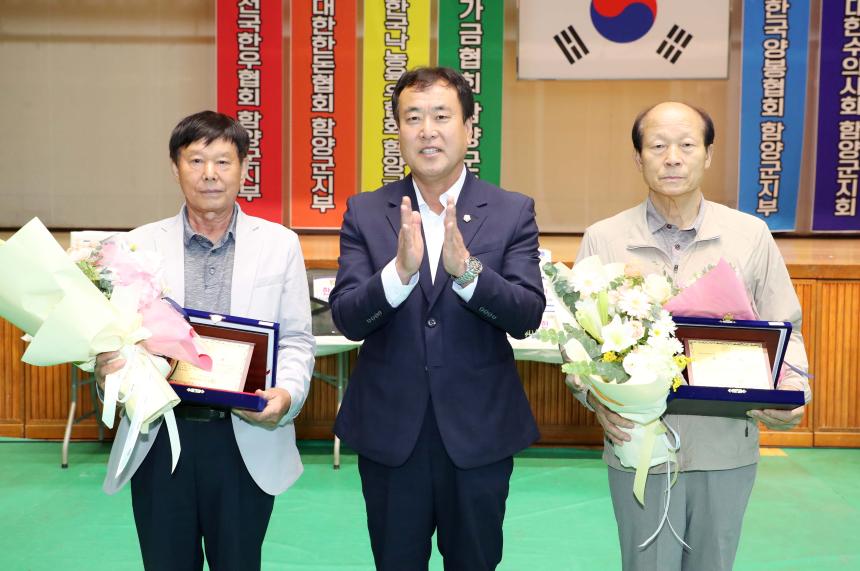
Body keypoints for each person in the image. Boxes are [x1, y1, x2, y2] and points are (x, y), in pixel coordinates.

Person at [572, 101, 812, 570]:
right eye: (657, 146)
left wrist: (795, 390)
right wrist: (593, 399)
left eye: (686, 145)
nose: (673, 158)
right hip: (639, 447)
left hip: (725, 445)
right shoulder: (605, 239)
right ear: (638, 158)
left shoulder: (750, 235)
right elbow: (578, 344)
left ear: (708, 154)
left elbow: (788, 329)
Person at [329, 67, 545, 570]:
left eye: (442, 116)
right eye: (413, 117)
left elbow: (526, 314)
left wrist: (467, 272)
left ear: (470, 128)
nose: (428, 130)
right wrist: (399, 273)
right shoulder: (365, 212)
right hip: (389, 432)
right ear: (399, 132)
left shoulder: (512, 211)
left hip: (478, 432)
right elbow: (347, 318)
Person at [94, 110, 316, 571]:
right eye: (195, 161)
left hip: (244, 439)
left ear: (243, 168)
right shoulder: (137, 246)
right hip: (160, 438)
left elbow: (295, 339)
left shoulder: (280, 245)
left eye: (222, 161)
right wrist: (107, 371)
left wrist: (288, 395)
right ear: (175, 168)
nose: (209, 174)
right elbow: (114, 337)